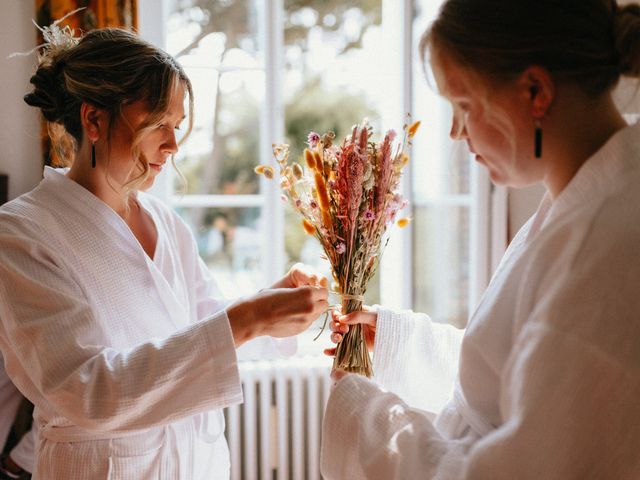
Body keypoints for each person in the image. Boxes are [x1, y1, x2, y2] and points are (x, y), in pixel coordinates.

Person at [321, 0, 640, 478]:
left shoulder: (603, 249)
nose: (455, 132)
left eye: (465, 106)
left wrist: (363, 416)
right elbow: (520, 377)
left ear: (535, 91)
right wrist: (398, 341)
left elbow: (521, 467)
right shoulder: (581, 202)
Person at [0, 27, 329, 479]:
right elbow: (85, 391)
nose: (173, 145)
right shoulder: (22, 234)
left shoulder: (166, 223)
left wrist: (273, 307)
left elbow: (205, 326)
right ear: (94, 120)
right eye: (158, 124)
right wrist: (247, 319)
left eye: (176, 125)